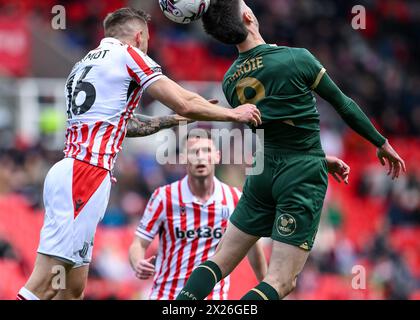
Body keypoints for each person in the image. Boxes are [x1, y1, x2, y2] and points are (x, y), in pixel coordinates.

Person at [16, 7, 261, 301]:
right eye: (146, 40)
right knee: (44, 281)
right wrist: (233, 114)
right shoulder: (128, 55)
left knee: (72, 286)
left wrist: (170, 121)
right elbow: (184, 101)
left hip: (71, 171)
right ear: (139, 36)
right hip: (85, 175)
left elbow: (123, 124)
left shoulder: (82, 65)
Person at [176, 0, 406, 300]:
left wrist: (319, 159)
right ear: (248, 17)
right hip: (300, 175)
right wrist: (381, 142)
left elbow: (273, 130)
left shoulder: (230, 81)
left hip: (263, 174)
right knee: (280, 281)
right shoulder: (296, 58)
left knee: (218, 262)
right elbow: (344, 105)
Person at [129, 130, 268, 300]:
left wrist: (267, 288)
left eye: (207, 151)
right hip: (167, 296)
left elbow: (253, 248)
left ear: (217, 156)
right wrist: (137, 263)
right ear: (182, 158)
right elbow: (138, 243)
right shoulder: (164, 197)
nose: (201, 157)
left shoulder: (234, 198)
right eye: (194, 152)